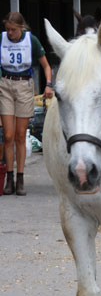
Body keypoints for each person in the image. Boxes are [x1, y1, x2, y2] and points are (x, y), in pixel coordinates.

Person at [0, 12, 53, 195]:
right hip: (5, 84)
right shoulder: (2, 40)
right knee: (8, 135)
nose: (10, 33)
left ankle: (20, 177)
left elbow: (46, 65)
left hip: (24, 85)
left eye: (13, 30)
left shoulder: (32, 41)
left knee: (20, 135)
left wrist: (48, 85)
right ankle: (9, 176)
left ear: (21, 28)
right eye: (7, 29)